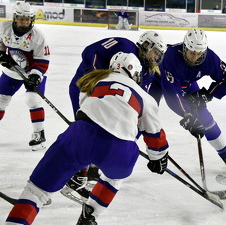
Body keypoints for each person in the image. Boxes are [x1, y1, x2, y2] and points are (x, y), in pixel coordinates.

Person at [5, 52, 169, 225]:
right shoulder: (145, 97)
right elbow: (155, 134)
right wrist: (158, 157)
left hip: (81, 135)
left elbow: (85, 109)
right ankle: (90, 216)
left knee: (36, 191)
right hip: (119, 148)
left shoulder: (94, 80)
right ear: (134, 73)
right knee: (113, 179)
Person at [65, 31, 167, 203]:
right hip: (85, 88)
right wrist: (95, 75)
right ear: (146, 46)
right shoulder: (124, 45)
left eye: (159, 54)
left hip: (110, 98)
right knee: (87, 131)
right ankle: (77, 175)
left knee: (106, 133)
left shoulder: (148, 71)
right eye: (155, 52)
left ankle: (90, 170)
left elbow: (141, 103)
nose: (156, 57)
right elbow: (90, 52)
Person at [160, 29, 226, 172]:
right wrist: (187, 115)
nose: (195, 57)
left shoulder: (209, 57)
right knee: (144, 113)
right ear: (185, 47)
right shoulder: (170, 56)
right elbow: (172, 92)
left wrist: (207, 94)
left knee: (205, 118)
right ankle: (124, 146)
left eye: (199, 53)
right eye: (192, 53)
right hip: (159, 81)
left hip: (186, 83)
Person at [0, 2, 50, 151]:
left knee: (33, 100)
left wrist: (34, 76)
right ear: (15, 18)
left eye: (27, 19)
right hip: (12, 71)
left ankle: (39, 134)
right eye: (21, 18)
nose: (24, 22)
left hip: (33, 73)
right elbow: (0, 45)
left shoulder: (38, 37)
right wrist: (1, 54)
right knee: (0, 101)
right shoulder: (4, 28)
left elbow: (42, 61)